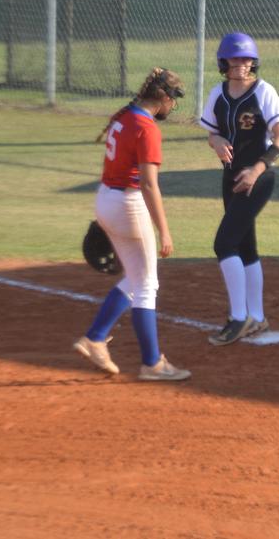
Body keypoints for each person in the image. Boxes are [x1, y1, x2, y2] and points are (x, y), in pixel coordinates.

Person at [74, 68, 191, 380]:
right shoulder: (146, 128)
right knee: (147, 284)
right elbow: (150, 186)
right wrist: (164, 230)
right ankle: (152, 364)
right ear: (164, 97)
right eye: (174, 100)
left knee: (138, 277)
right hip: (127, 204)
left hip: (105, 200)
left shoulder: (125, 116)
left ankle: (95, 338)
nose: (173, 106)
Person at [199, 33, 279, 345]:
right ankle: (258, 318)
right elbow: (211, 132)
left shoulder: (264, 92)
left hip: (258, 178)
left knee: (224, 244)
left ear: (254, 61)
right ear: (223, 63)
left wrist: (257, 169)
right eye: (234, 59)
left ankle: (239, 318)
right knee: (245, 247)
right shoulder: (218, 94)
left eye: (246, 59)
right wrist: (216, 140)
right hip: (230, 178)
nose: (241, 64)